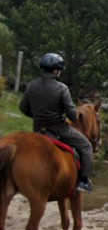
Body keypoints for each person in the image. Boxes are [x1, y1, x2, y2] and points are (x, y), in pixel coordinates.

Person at [19, 52, 94, 193]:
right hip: (59, 128)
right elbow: (73, 116)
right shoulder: (62, 88)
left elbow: (23, 107)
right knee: (86, 146)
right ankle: (84, 181)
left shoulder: (31, 85)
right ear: (56, 70)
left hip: (38, 128)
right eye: (59, 69)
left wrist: (37, 116)